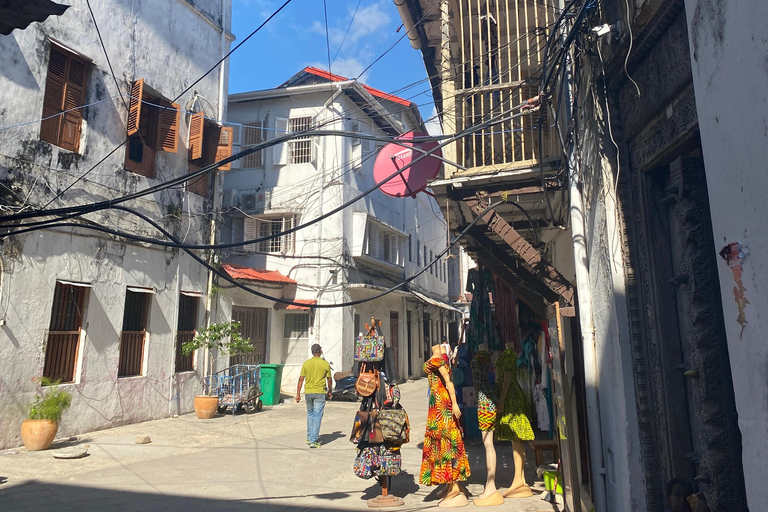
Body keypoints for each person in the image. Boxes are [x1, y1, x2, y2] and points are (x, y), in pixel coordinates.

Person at [296, 344, 332, 448]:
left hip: (308, 392)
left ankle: (309, 437)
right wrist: (330, 391)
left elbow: (301, 379)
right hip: (320, 392)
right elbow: (329, 379)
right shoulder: (325, 364)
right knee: (317, 415)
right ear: (320, 351)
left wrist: (298, 394)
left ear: (312, 352)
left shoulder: (306, 364)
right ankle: (313, 440)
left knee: (310, 414)